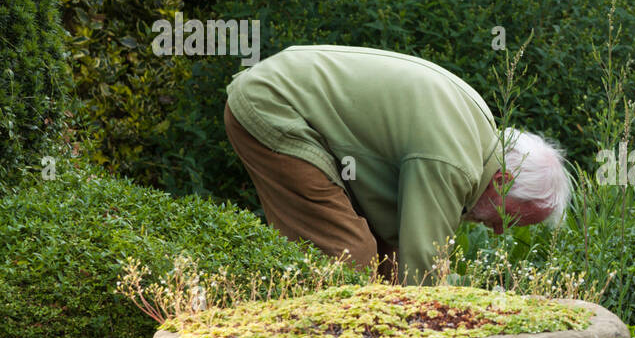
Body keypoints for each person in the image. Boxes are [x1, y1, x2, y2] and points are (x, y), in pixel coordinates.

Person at [223, 45, 570, 284]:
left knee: (384, 261)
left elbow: (401, 251)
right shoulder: (454, 162)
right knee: (350, 257)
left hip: (284, 94)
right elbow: (423, 274)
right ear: (505, 181)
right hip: (272, 104)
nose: (498, 230)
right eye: (513, 217)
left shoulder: (476, 134)